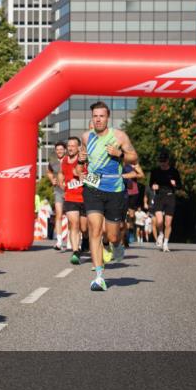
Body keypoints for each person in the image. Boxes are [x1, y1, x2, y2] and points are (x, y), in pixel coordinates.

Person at [79, 101, 138, 291]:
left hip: (114, 189)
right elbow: (81, 162)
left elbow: (134, 158)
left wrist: (119, 154)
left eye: (101, 116)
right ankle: (99, 277)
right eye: (95, 116)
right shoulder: (86, 137)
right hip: (93, 187)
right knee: (94, 229)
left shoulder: (119, 136)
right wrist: (80, 161)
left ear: (108, 118)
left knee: (112, 235)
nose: (98, 119)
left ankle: (117, 244)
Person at [58, 136, 88, 266]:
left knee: (84, 227)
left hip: (84, 197)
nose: (70, 148)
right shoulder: (64, 160)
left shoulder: (84, 160)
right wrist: (61, 182)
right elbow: (61, 172)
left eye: (72, 146)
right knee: (74, 223)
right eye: (68, 146)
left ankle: (85, 239)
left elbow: (92, 175)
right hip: (70, 197)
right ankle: (75, 252)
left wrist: (84, 177)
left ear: (78, 147)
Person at [149, 151, 181, 252]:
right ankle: (161, 234)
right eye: (160, 161)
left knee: (168, 223)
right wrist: (153, 186)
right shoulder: (155, 171)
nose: (162, 163)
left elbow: (180, 185)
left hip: (170, 196)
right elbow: (151, 183)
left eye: (164, 161)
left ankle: (166, 243)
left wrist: (175, 184)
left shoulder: (174, 171)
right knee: (159, 221)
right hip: (159, 196)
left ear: (168, 161)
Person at [46, 141, 67, 249]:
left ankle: (71, 241)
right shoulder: (53, 161)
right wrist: (52, 179)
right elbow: (49, 172)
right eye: (57, 149)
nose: (59, 151)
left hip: (70, 190)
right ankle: (59, 242)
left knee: (71, 216)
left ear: (65, 150)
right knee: (58, 214)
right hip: (58, 191)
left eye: (61, 149)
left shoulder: (69, 159)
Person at [122, 162, 144, 248]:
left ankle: (130, 230)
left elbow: (142, 175)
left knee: (131, 215)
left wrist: (131, 175)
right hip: (122, 191)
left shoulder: (134, 164)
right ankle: (125, 236)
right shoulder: (118, 162)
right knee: (123, 215)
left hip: (133, 192)